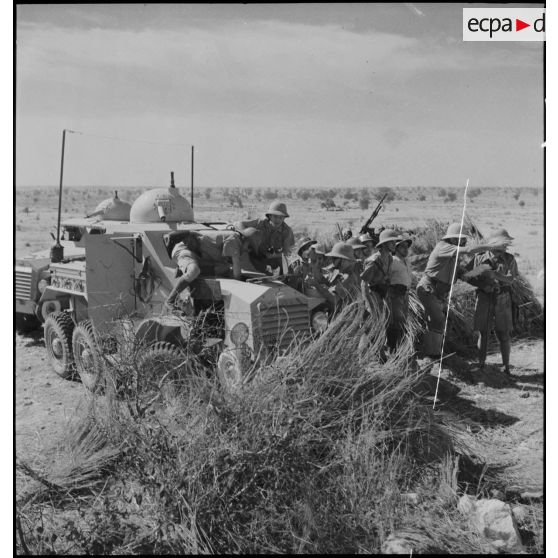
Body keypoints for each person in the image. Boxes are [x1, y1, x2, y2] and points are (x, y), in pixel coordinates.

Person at [416, 222, 501, 358]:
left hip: (439, 293)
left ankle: (433, 353)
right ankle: (433, 355)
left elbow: (465, 276)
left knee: (436, 322)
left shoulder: (453, 258)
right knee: (437, 319)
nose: (465, 242)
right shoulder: (443, 247)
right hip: (429, 289)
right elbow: (469, 250)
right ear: (454, 239)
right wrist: (491, 246)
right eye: (463, 239)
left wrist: (483, 285)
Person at [464, 228, 519, 374]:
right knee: (484, 332)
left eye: (506, 245)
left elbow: (511, 279)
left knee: (504, 333)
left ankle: (506, 367)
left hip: (503, 299)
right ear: (494, 244)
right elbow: (467, 276)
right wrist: (483, 285)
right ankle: (481, 364)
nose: (505, 247)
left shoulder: (509, 259)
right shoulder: (479, 258)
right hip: (484, 297)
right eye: (503, 244)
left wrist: (495, 275)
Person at [235, 201, 295, 273]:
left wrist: (274, 255)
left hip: (272, 257)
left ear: (284, 218)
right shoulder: (261, 222)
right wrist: (246, 232)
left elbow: (287, 252)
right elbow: (239, 223)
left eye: (281, 217)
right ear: (270, 216)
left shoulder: (286, 231)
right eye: (275, 216)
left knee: (288, 268)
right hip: (254, 253)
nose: (278, 220)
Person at [360, 229, 401, 314]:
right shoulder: (373, 261)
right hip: (373, 297)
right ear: (385, 243)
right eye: (391, 242)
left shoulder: (389, 258)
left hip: (384, 295)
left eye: (395, 242)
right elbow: (364, 284)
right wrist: (369, 305)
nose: (395, 244)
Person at [387, 235, 414, 351]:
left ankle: (400, 347)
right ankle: (393, 348)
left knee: (403, 320)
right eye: (402, 246)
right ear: (396, 248)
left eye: (406, 246)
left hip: (405, 294)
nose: (405, 249)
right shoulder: (392, 261)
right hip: (395, 295)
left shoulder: (406, 261)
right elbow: (386, 278)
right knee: (396, 320)